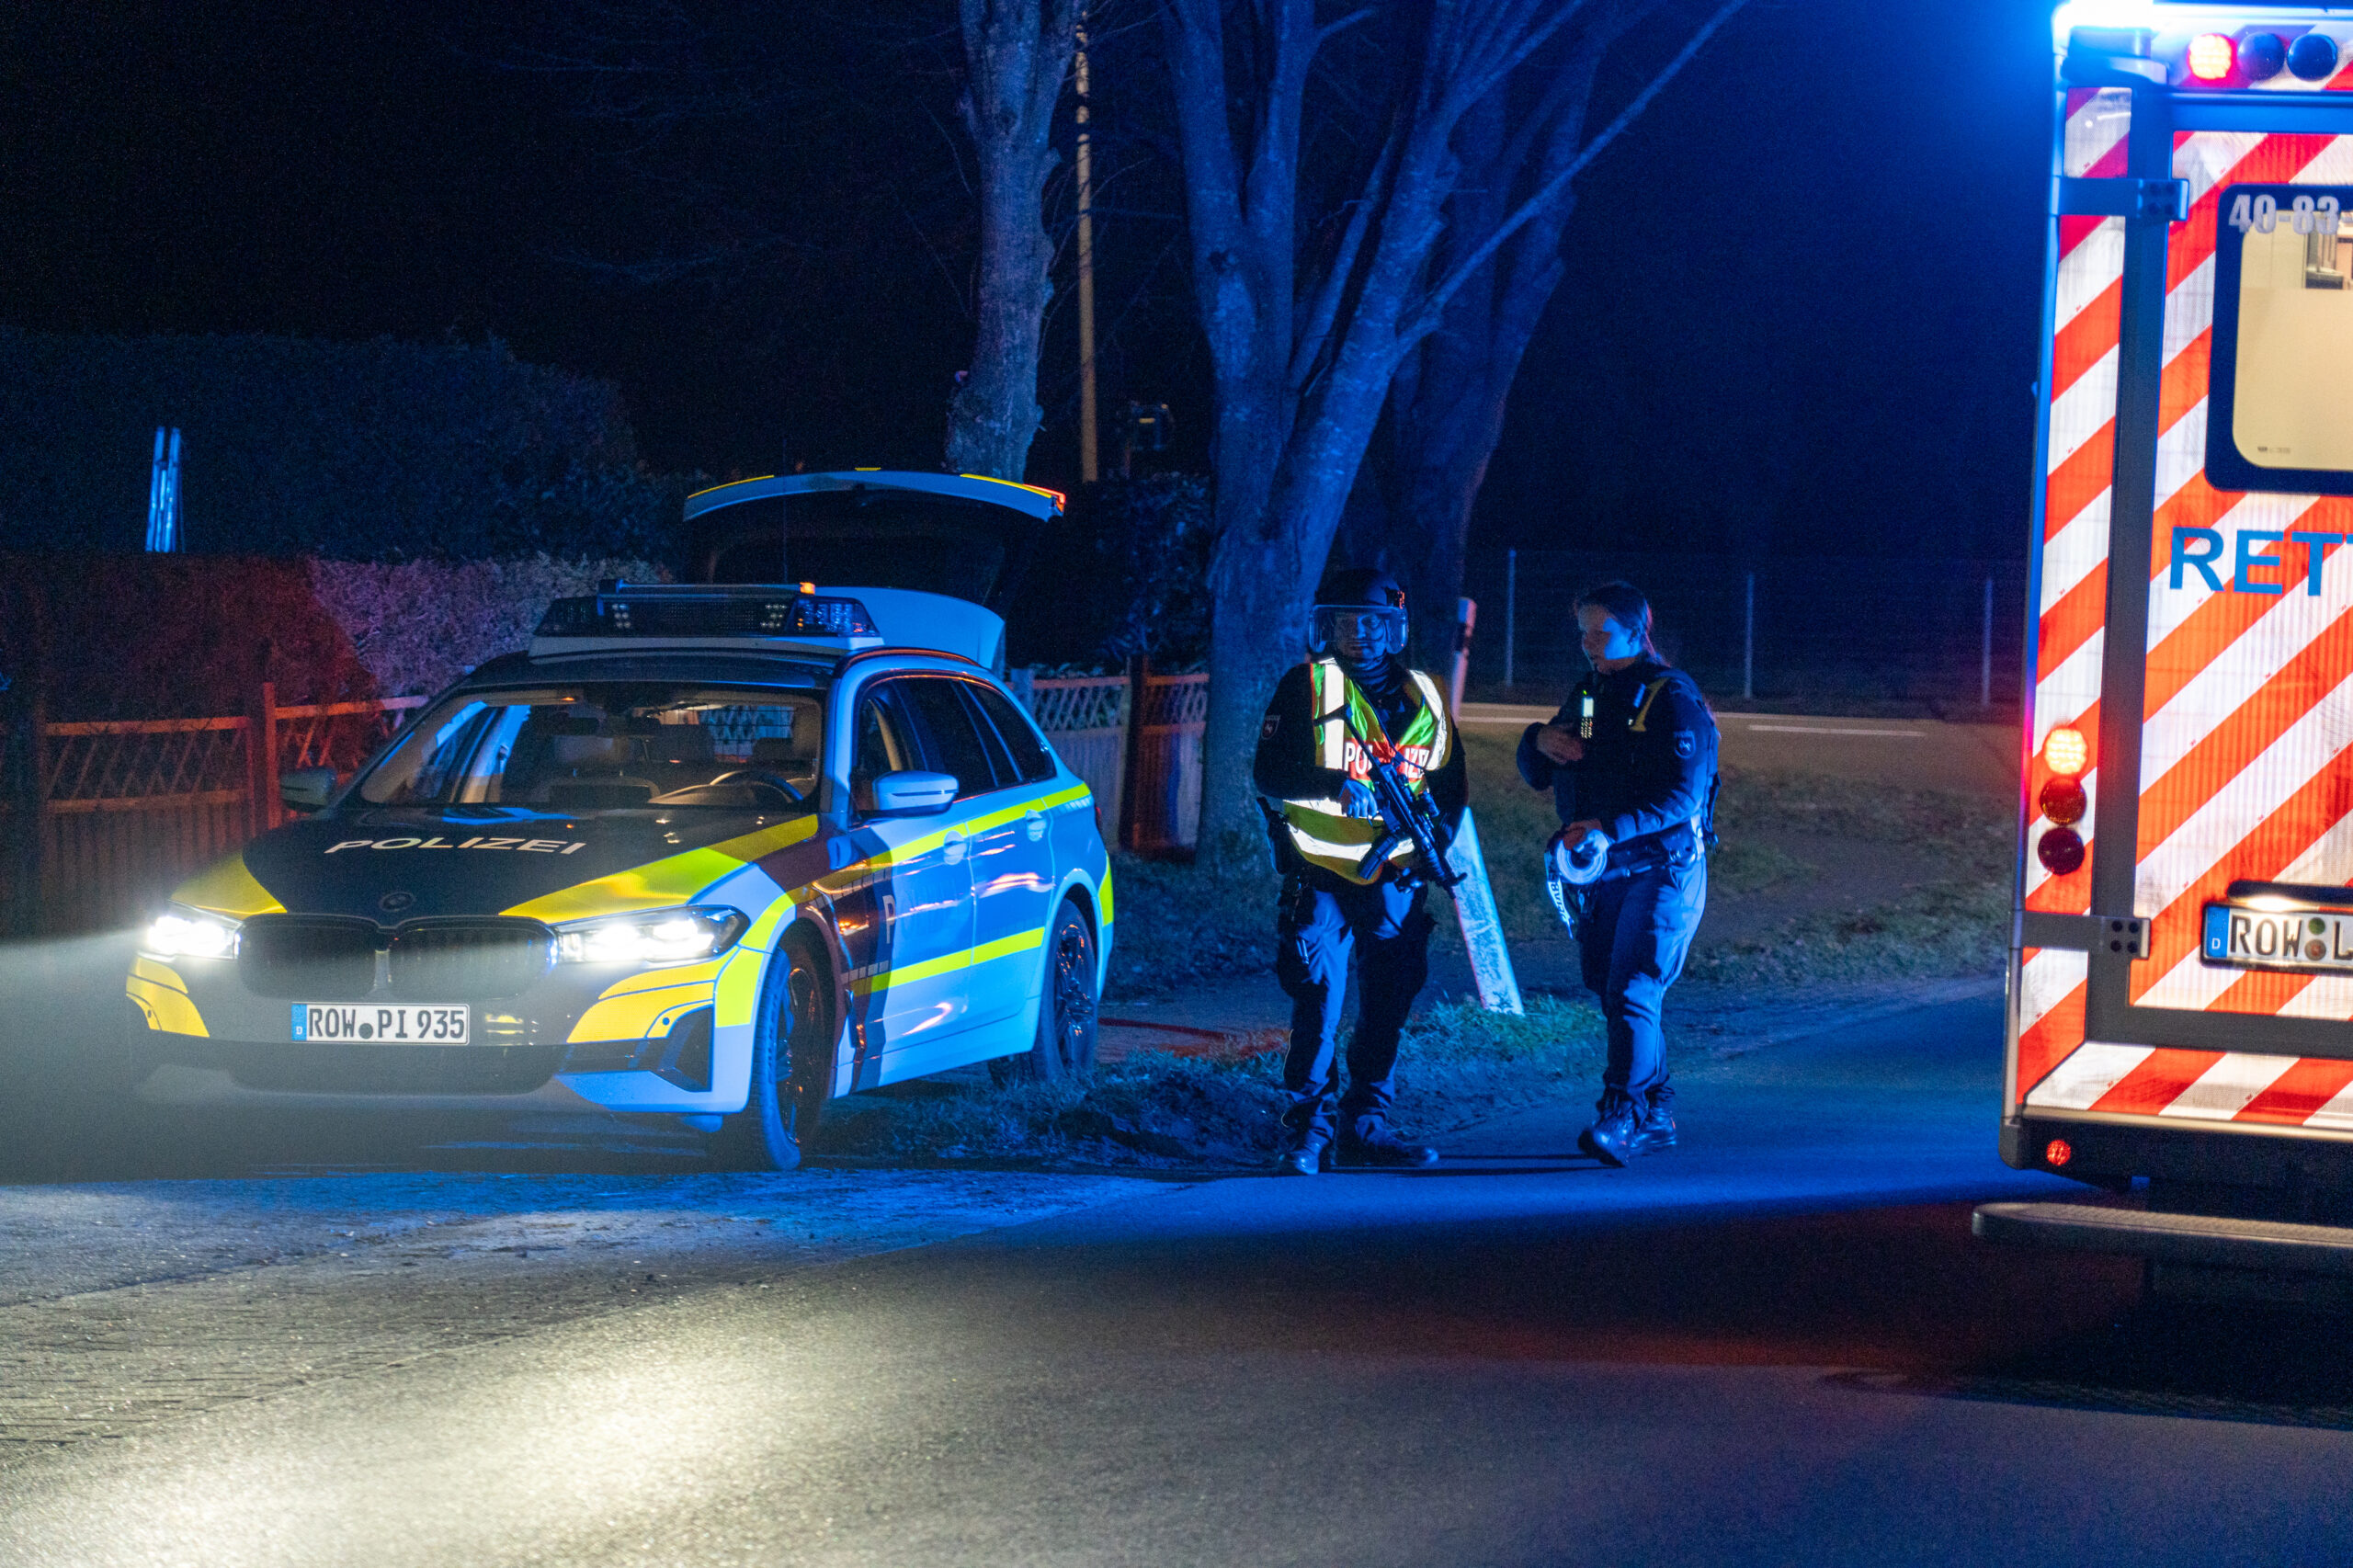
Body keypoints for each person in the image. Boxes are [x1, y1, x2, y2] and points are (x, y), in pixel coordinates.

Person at [1255, 567, 1469, 1176]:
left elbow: (1451, 786)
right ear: (1328, 627)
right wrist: (1334, 785)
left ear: (1392, 628)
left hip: (1399, 881)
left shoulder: (1426, 694)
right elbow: (1268, 775)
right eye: (1346, 622)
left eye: (1373, 622)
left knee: (1387, 1005)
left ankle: (1366, 1126)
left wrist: (1436, 838)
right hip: (1320, 874)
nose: (1360, 634)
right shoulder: (1304, 686)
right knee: (1318, 1001)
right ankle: (1307, 1132)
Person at [1517, 580, 1717, 1166]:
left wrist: (1610, 827)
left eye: (1601, 632)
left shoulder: (1670, 697)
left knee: (1633, 988)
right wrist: (1537, 742)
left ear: (1638, 630)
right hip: (1603, 873)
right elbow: (1561, 756)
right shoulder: (1589, 696)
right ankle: (1656, 1109)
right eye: (1583, 632)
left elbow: (1683, 795)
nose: (1588, 644)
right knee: (1612, 990)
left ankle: (1622, 1116)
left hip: (1663, 870)